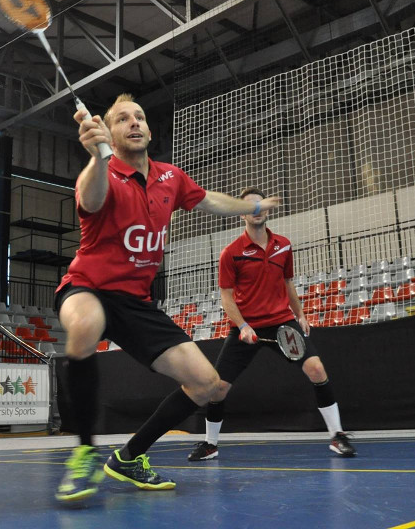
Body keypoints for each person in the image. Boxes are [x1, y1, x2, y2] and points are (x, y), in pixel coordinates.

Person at [54, 94, 280, 503]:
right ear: (110, 130)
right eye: (122, 119)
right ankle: (85, 450)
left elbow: (209, 200)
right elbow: (89, 198)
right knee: (86, 324)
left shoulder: (170, 177)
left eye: (139, 116)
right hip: (88, 287)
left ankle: (128, 457)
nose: (134, 122)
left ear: (149, 128)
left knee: (208, 384)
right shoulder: (104, 171)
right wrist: (97, 157)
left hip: (136, 301)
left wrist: (252, 205)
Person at [187, 187, 356, 462]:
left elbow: (288, 283)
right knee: (218, 388)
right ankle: (210, 444)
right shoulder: (230, 253)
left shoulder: (284, 245)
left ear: (267, 210)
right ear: (242, 213)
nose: (256, 210)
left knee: (316, 369)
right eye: (250, 206)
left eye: (260, 204)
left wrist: (299, 314)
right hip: (247, 328)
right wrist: (242, 325)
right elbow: (227, 297)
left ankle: (337, 436)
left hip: (282, 323)